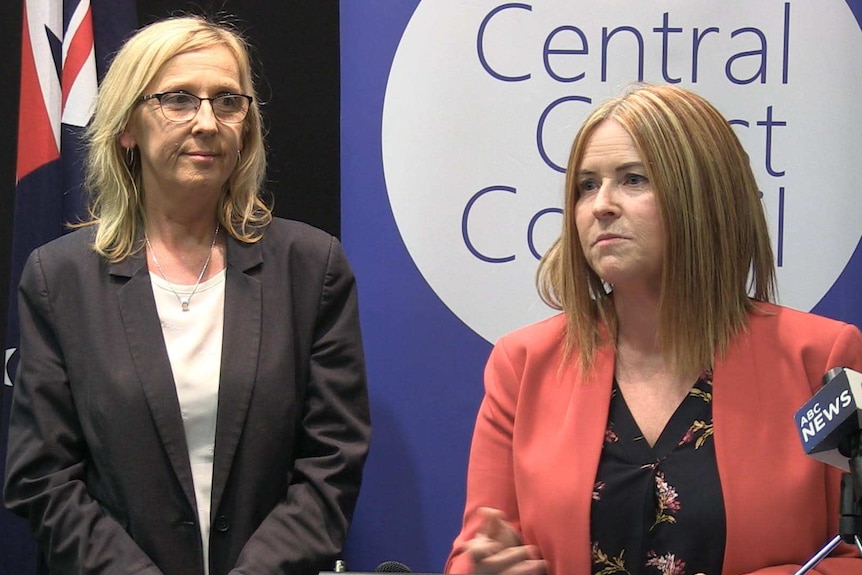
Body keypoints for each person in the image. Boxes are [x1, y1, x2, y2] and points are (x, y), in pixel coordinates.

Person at [3, 15, 370, 575]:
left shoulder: (310, 267)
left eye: (228, 101)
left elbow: (332, 463)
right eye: (178, 99)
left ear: (247, 126)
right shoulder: (61, 279)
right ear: (128, 126)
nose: (207, 122)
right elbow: (42, 476)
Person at [445, 85, 862, 575]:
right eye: (585, 185)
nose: (600, 205)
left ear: (704, 196)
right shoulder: (524, 364)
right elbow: (472, 555)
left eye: (633, 179)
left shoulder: (820, 359)